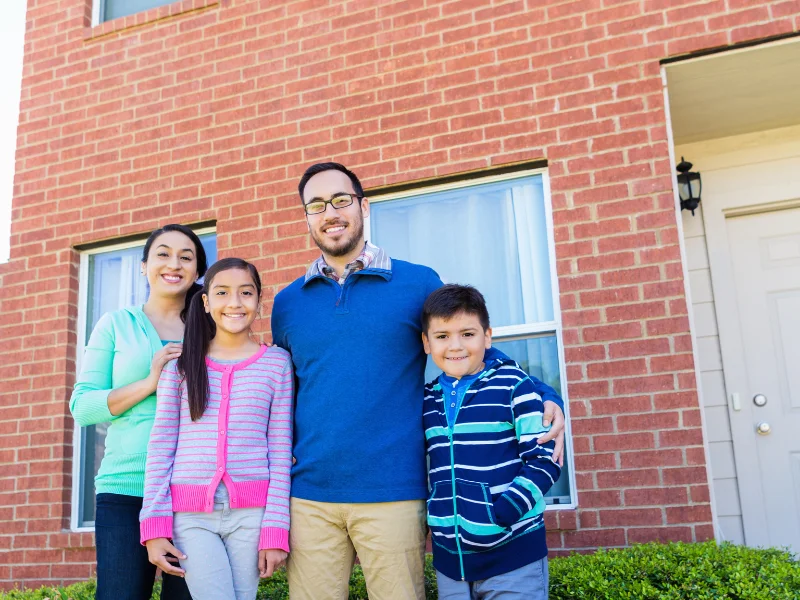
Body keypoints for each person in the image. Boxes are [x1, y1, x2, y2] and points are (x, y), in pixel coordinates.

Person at [270, 162, 566, 600]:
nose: (330, 212)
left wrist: (542, 392)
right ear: (307, 217)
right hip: (311, 494)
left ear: (362, 206)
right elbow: (281, 390)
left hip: (394, 491)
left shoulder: (416, 281)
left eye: (341, 200)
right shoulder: (288, 303)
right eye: (316, 205)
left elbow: (465, 344)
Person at [139, 257, 293, 600]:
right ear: (206, 302)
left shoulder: (276, 363)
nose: (235, 303)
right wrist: (154, 526)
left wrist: (275, 529)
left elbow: (281, 450)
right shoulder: (181, 367)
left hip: (251, 515)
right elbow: (161, 446)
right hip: (191, 517)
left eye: (246, 293)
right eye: (222, 293)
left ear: (258, 300)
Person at [70, 224, 206, 600]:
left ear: (198, 271)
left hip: (192, 491)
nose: (173, 263)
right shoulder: (115, 324)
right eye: (163, 254)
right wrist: (149, 382)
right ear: (143, 267)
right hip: (125, 490)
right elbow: (83, 407)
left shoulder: (210, 332)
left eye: (186, 256)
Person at [422, 284, 562, 600]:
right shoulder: (427, 400)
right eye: (442, 336)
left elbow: (545, 460)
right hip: (451, 565)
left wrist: (503, 512)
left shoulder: (514, 386)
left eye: (467, 334)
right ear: (426, 343)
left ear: (487, 337)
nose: (455, 345)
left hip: (513, 556)